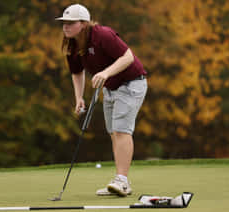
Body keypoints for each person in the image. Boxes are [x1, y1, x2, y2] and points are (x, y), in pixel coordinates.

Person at [56, 4, 147, 197]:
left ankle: (121, 181)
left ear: (83, 23)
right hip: (111, 88)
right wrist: (79, 97)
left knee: (122, 130)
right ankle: (121, 181)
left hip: (131, 83)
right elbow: (76, 72)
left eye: (70, 23)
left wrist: (105, 73)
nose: (66, 27)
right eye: (64, 23)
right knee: (114, 132)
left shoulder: (102, 35)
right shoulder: (72, 44)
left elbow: (128, 57)